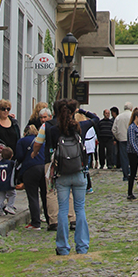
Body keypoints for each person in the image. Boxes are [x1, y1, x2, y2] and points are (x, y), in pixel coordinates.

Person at [46, 99, 90, 255]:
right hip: (78, 172)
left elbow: (51, 151)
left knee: (63, 211)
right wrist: (83, 112)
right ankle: (82, 245)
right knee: (80, 209)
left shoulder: (52, 130)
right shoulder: (79, 127)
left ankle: (63, 247)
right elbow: (95, 120)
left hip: (62, 174)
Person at [15, 124, 48, 230]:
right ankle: (50, 220)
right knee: (45, 195)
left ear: (25, 133)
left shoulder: (22, 141)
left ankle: (35, 222)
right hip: (44, 168)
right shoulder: (42, 140)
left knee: (33, 196)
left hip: (30, 169)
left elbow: (19, 156)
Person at [112, 101, 133, 181]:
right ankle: (132, 173)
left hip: (122, 139)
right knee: (132, 157)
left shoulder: (119, 117)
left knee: (124, 158)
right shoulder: (132, 116)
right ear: (131, 108)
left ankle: (125, 175)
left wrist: (118, 137)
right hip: (131, 139)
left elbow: (114, 129)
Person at [0, 145, 17, 216]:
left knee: (0, 197)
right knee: (12, 194)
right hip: (8, 183)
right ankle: (9, 206)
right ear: (11, 155)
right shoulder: (11, 163)